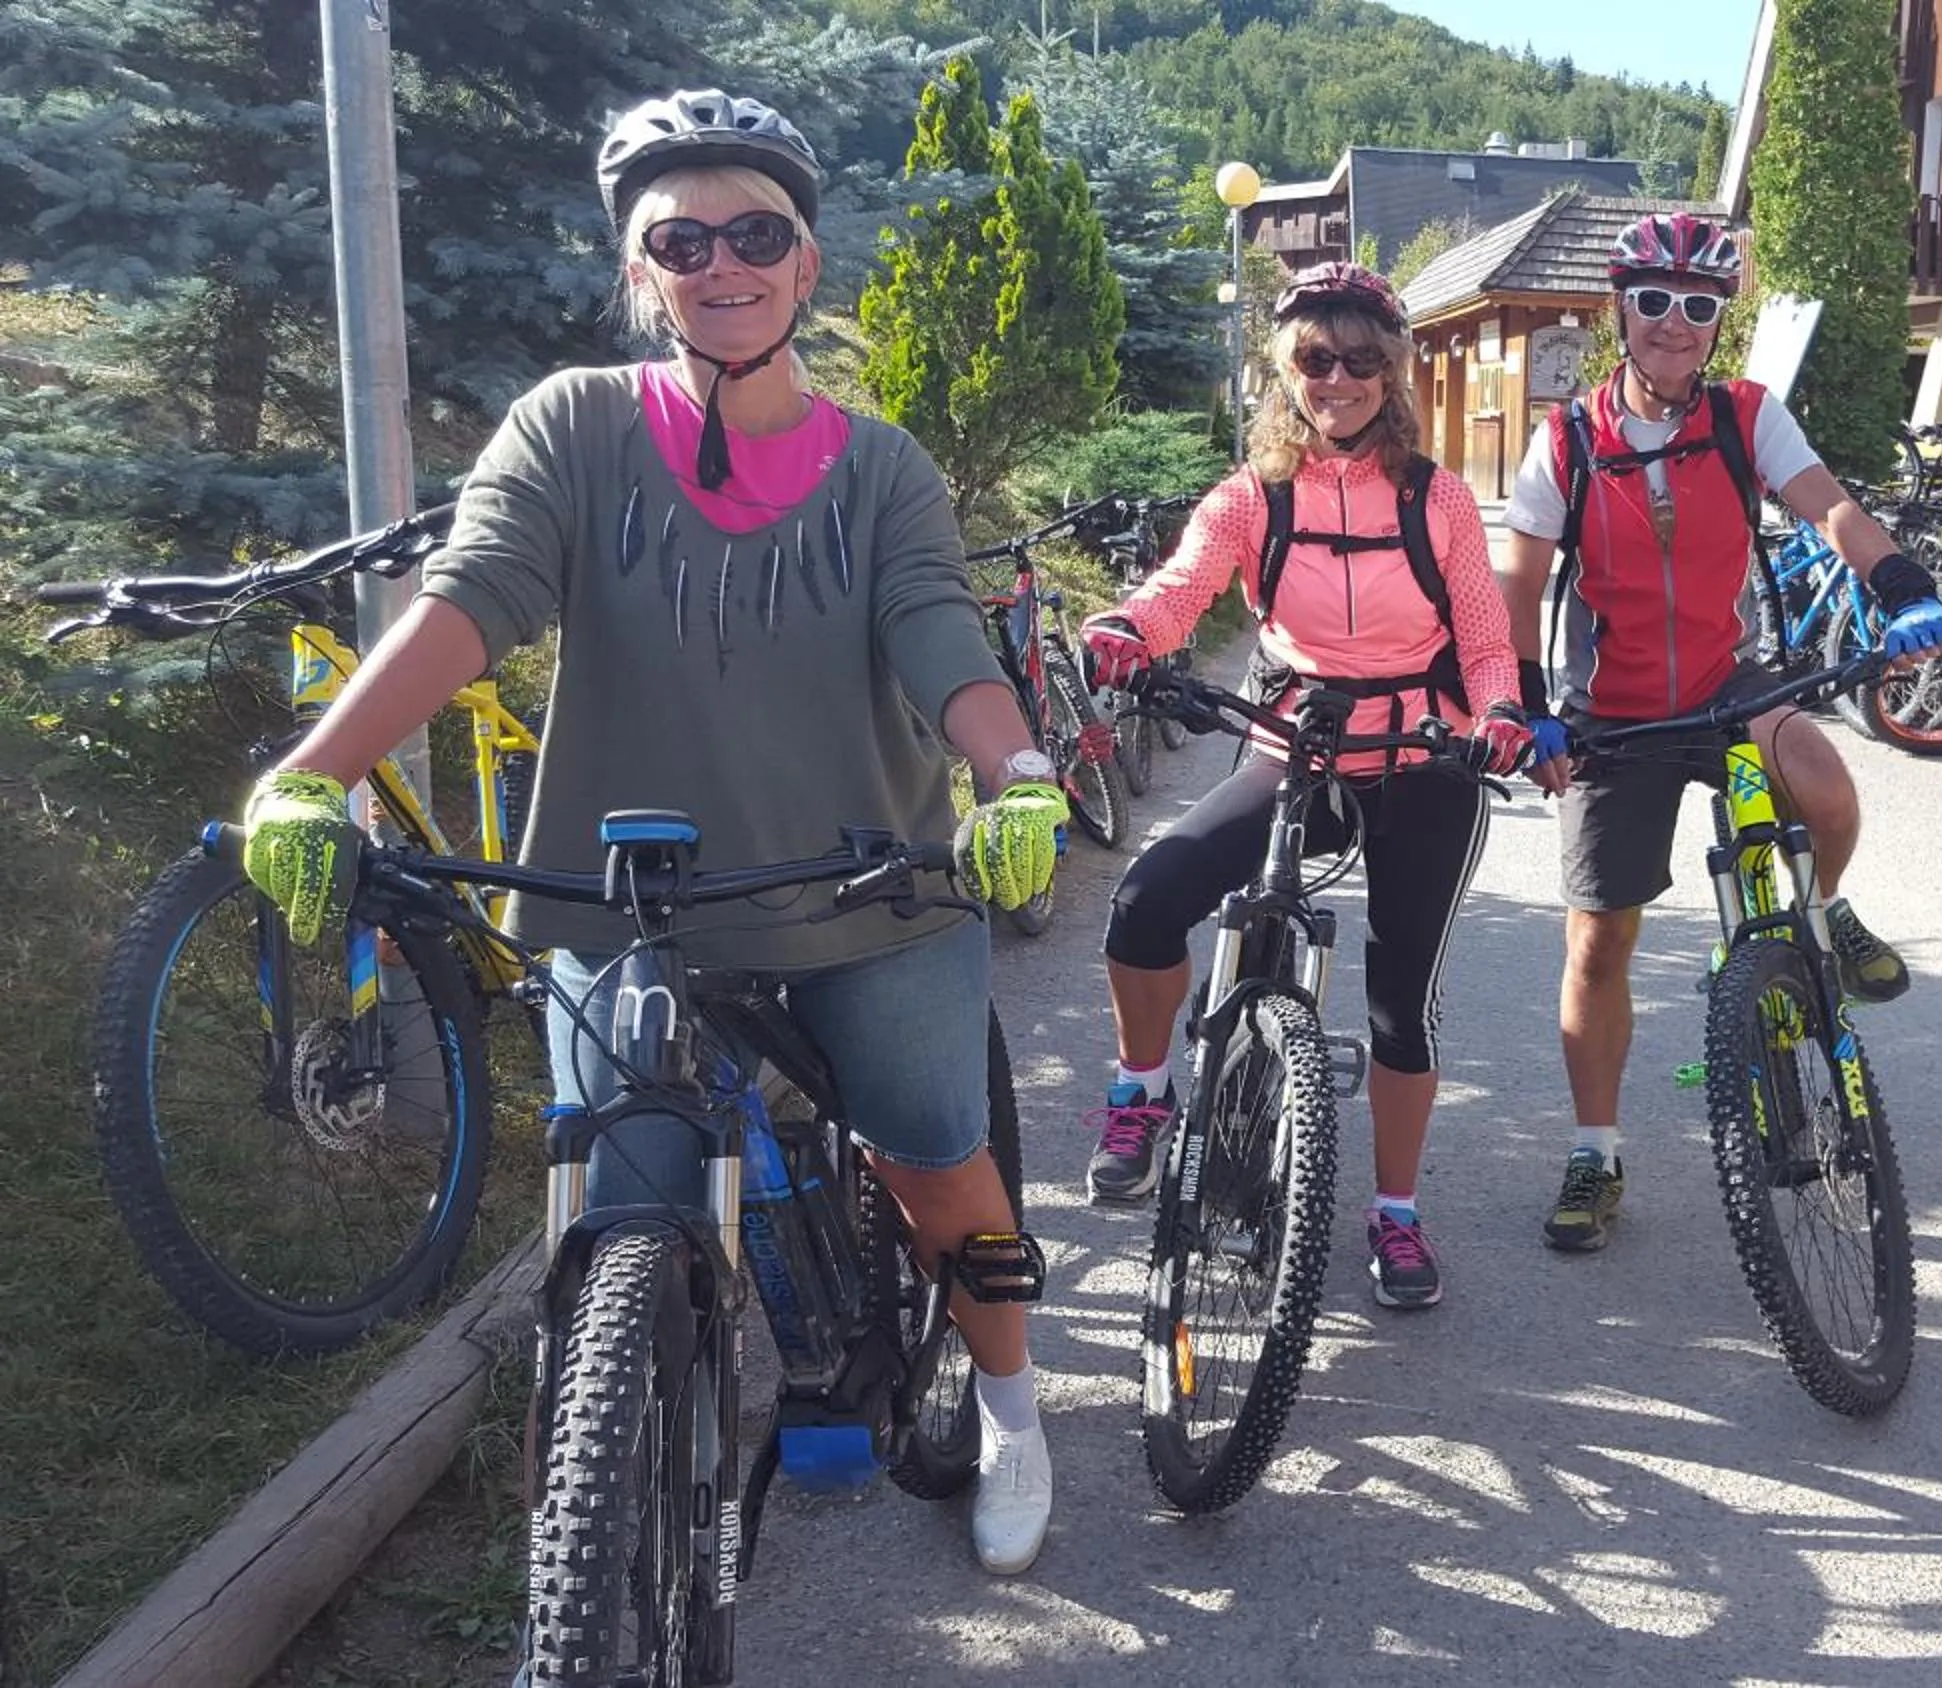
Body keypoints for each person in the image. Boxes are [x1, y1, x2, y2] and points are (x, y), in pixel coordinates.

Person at [231, 90, 1070, 1576]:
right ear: (641, 271)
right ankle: (611, 1511)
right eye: (680, 240)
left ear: (809, 264)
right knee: (628, 1206)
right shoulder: (574, 426)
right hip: (631, 902)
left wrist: (1014, 778)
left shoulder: (882, 468)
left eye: (759, 233)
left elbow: (940, 640)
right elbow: (475, 599)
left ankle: (1010, 1397)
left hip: (866, 888)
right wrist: (313, 773)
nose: (722, 262)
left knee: (935, 1154)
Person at [1492, 210, 1942, 1255]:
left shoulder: (1747, 415)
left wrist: (1899, 582)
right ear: (1622, 312)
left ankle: (1820, 917)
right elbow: (1519, 583)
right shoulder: (1564, 438)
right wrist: (1528, 700)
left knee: (1826, 791)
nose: (1674, 322)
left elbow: (1829, 507)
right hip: (1614, 706)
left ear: (1717, 324)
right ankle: (1596, 1149)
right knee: (1599, 937)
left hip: (1727, 679)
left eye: (1699, 306)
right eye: (1653, 302)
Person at [1078, 262, 1532, 1312]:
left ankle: (1397, 1212)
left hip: (1424, 757)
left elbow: (1486, 637)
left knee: (1399, 999)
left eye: (1361, 359)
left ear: (1394, 371)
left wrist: (1500, 713)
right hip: (1298, 745)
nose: (1338, 379)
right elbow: (1180, 588)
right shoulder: (1253, 495)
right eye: (1315, 359)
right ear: (1287, 372)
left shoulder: (1439, 497)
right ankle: (1143, 1090)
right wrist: (1124, 629)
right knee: (1148, 902)